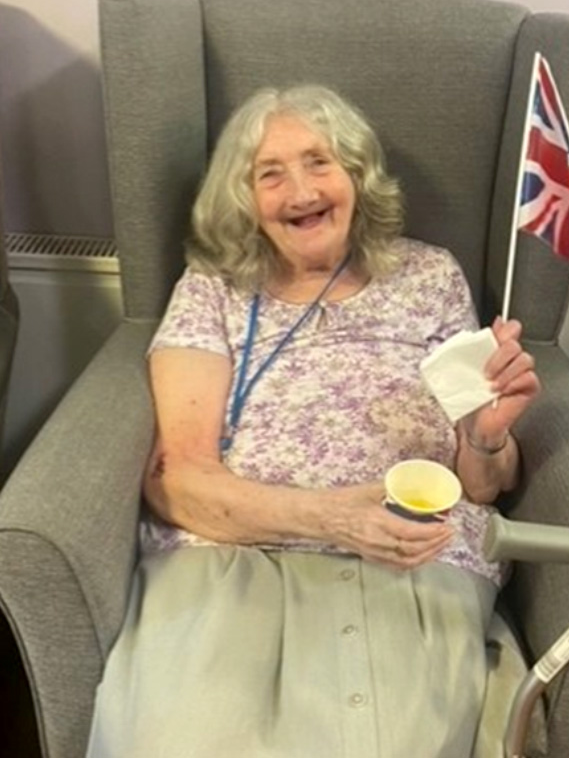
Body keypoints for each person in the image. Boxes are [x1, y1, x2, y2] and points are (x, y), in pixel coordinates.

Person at [85, 85, 540, 758]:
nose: (299, 190)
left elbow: (480, 485)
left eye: (319, 162)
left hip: (415, 556)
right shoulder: (214, 287)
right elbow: (175, 480)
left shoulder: (429, 275)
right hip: (231, 555)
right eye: (269, 174)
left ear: (356, 175)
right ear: (243, 199)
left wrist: (485, 435)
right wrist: (333, 518)